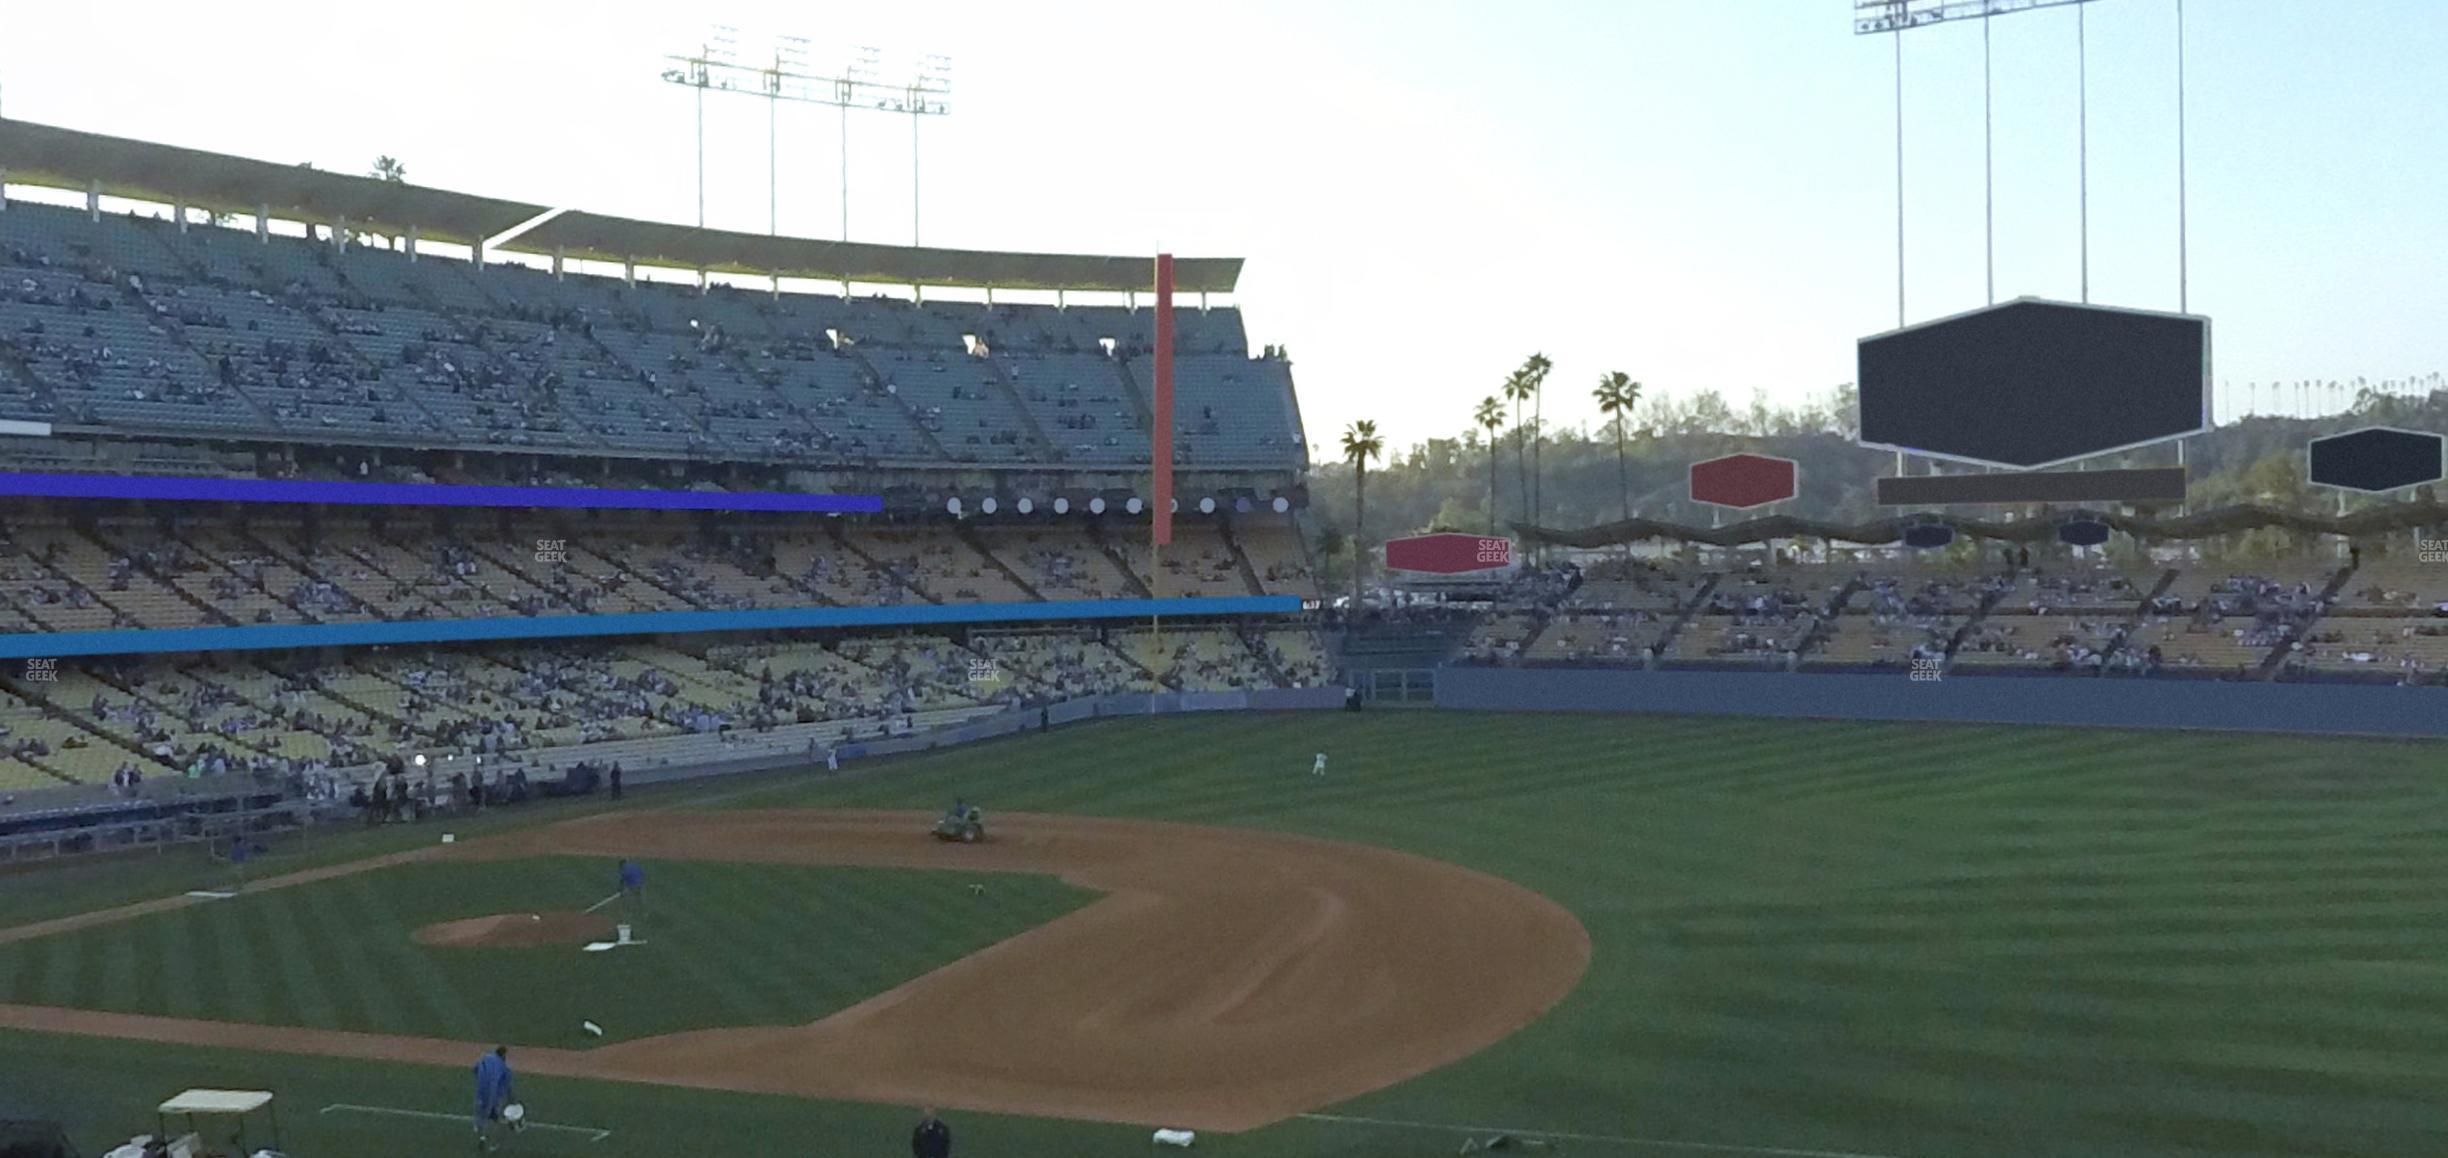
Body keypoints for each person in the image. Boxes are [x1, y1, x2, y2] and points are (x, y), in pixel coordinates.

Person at [473, 1046, 514, 1151]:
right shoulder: (504, 1067)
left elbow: (474, 1069)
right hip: (493, 1097)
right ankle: (493, 1144)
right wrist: (511, 1101)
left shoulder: (485, 1058)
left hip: (481, 1093)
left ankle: (482, 1137)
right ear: (504, 1055)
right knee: (494, 1119)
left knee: (482, 1117)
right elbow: (508, 1087)